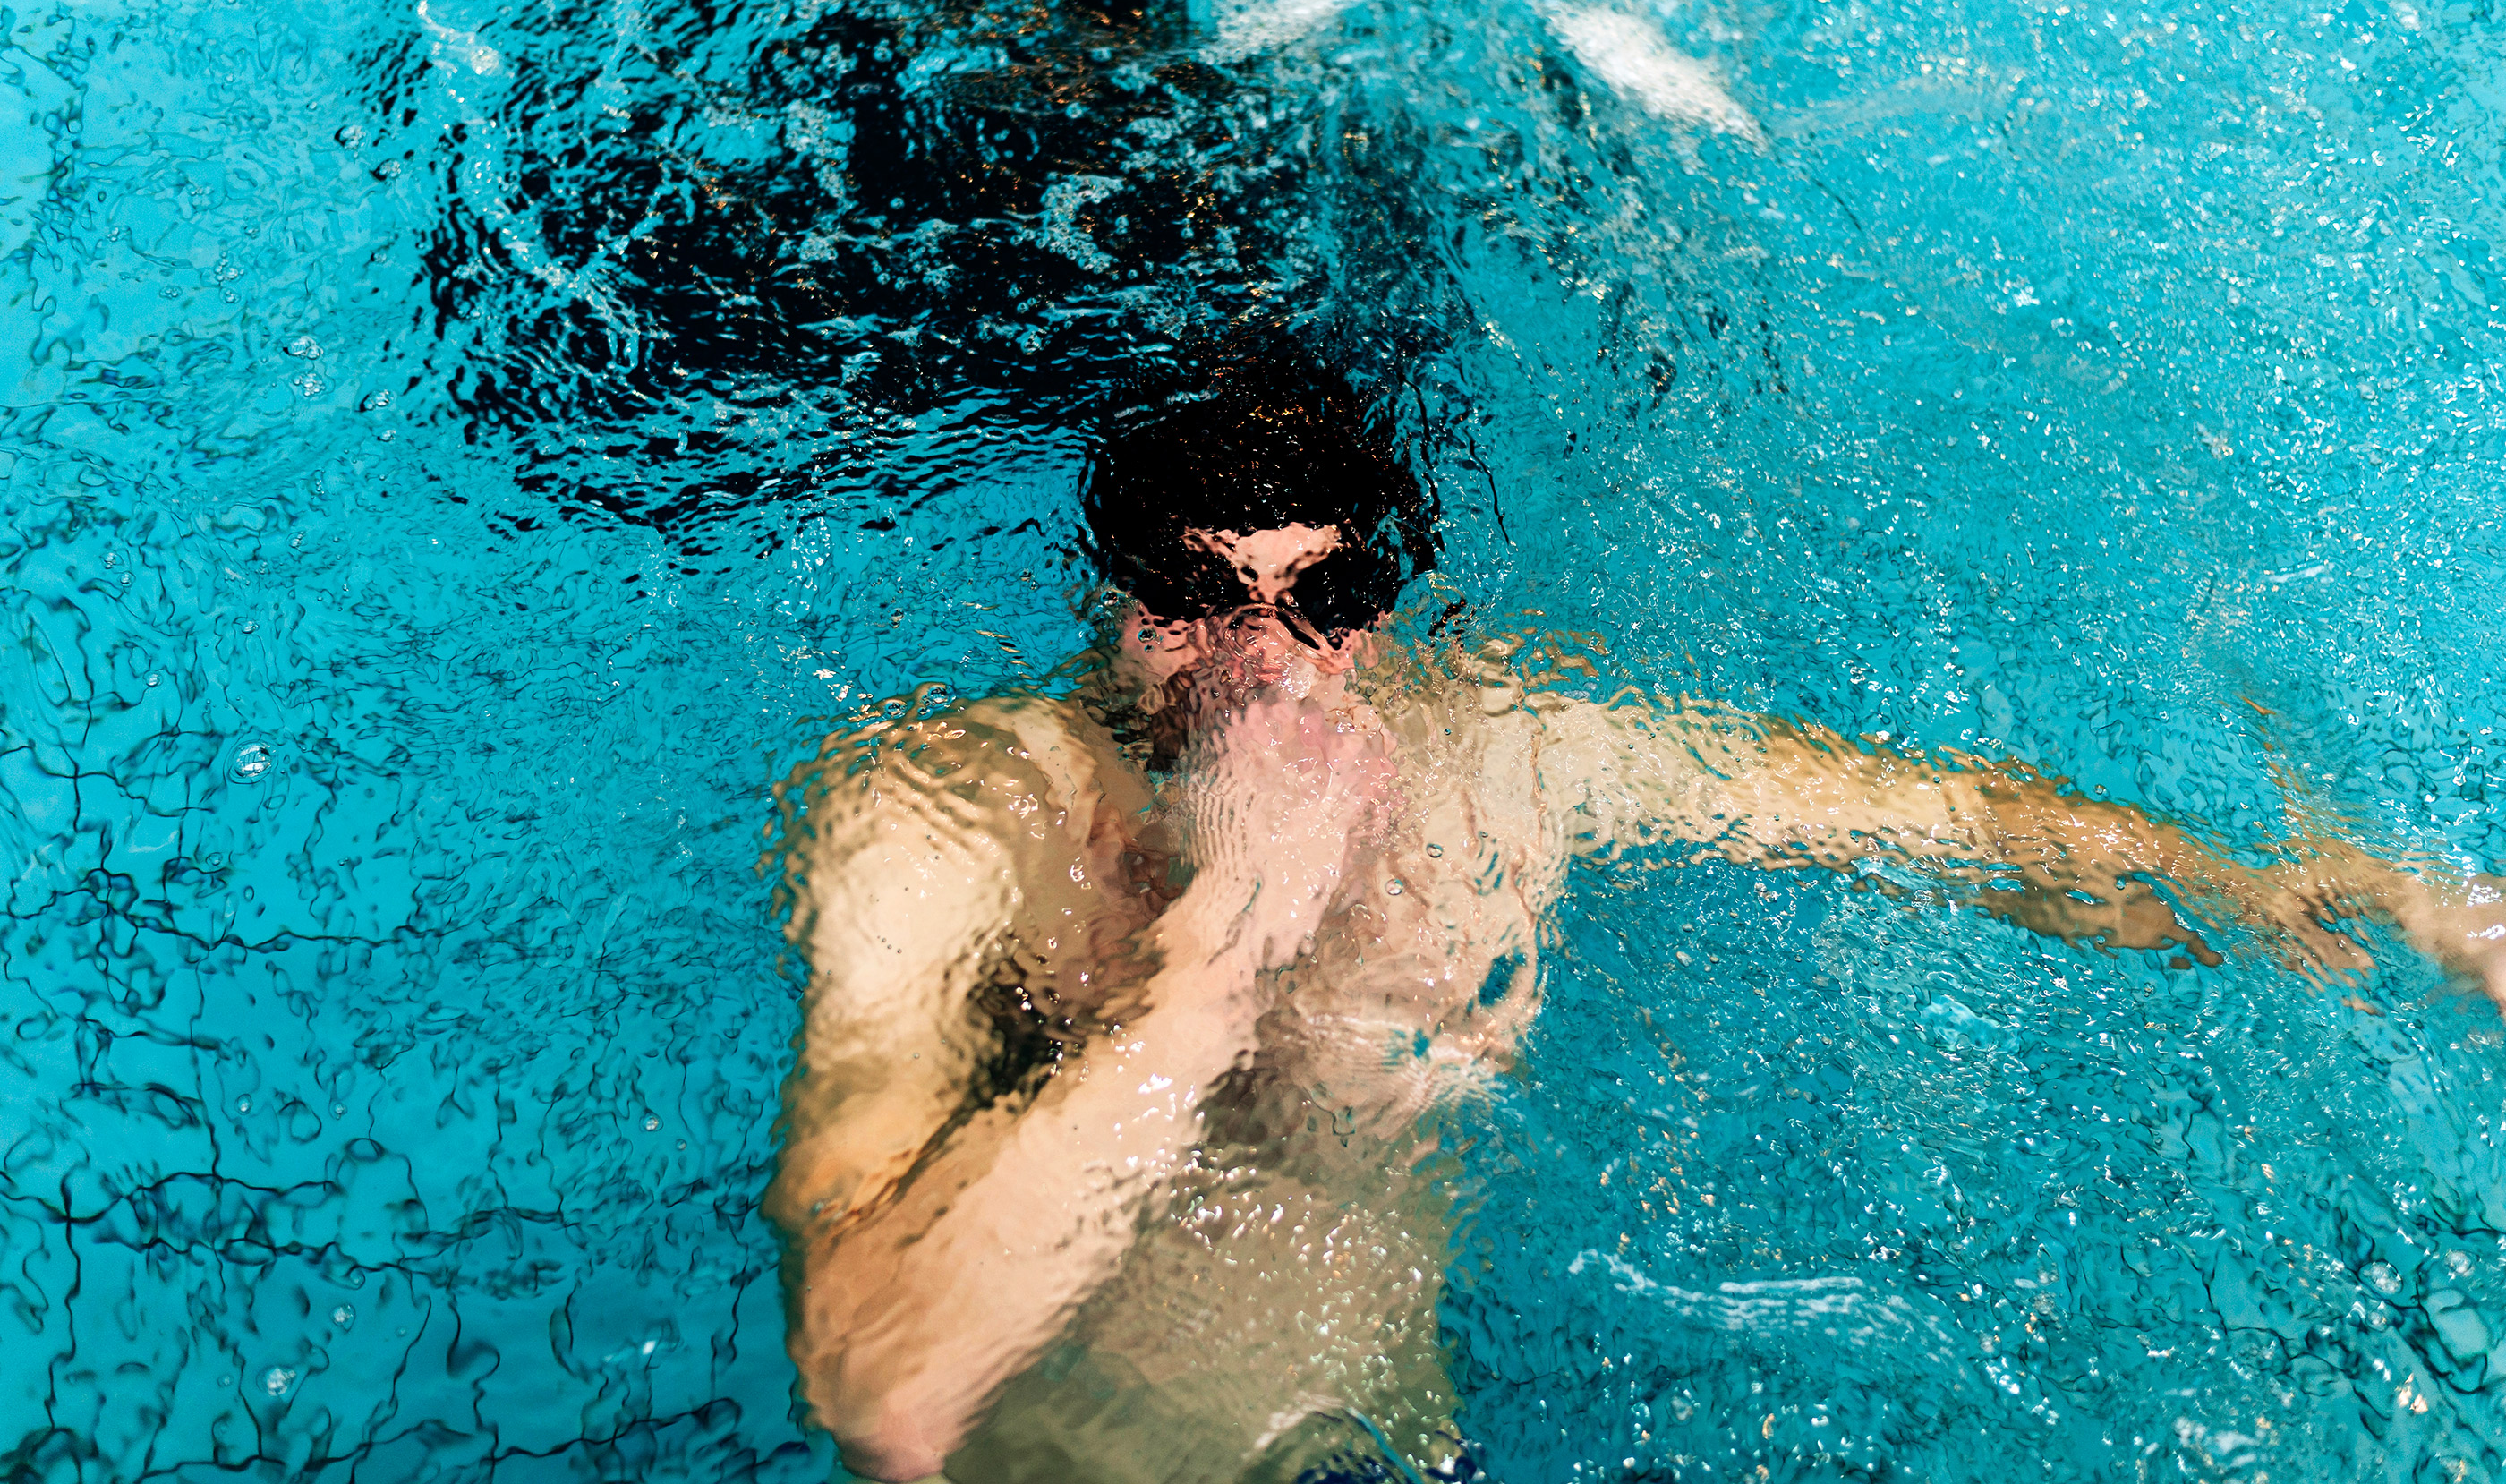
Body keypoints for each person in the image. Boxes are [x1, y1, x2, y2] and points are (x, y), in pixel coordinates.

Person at [762, 329, 2506, 1484]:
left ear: (1390, 606)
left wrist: (2322, 896)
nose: (1261, 666)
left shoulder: (1514, 754)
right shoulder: (941, 822)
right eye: (1192, 592)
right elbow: (884, 1383)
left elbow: (1943, 819)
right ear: (1100, 591)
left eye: (1325, 592)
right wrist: (1212, 955)